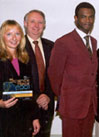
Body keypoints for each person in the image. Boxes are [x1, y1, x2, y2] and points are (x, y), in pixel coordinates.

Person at [48, 2, 97, 137]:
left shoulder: (93, 41)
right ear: (76, 19)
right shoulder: (63, 42)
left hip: (90, 106)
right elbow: (54, 74)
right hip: (71, 106)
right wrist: (66, 96)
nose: (88, 20)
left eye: (91, 17)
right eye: (83, 17)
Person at [0, 20, 40, 137]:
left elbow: (30, 92)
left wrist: (35, 117)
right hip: (3, 120)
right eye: (9, 34)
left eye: (17, 34)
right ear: (2, 37)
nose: (14, 38)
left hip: (24, 121)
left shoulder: (25, 60)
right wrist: (0, 103)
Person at [23, 9, 55, 137]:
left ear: (45, 25)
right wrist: (37, 97)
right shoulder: (17, 47)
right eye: (32, 21)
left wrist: (47, 95)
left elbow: (57, 76)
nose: (36, 26)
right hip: (26, 108)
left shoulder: (52, 47)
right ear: (25, 23)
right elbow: (16, 79)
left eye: (40, 22)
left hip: (47, 107)